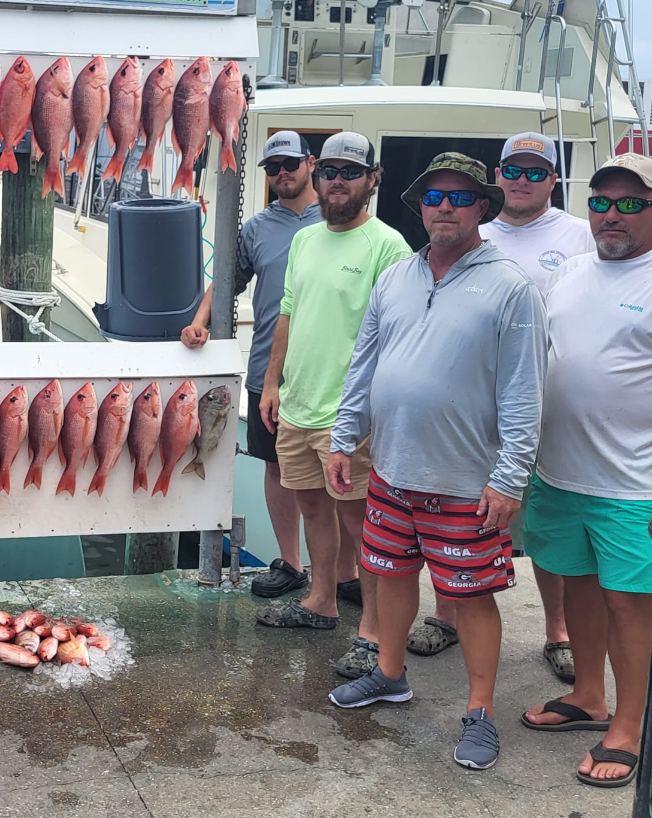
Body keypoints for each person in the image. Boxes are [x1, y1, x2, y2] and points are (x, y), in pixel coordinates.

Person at [327, 153, 546, 772]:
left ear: (482, 207)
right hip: (391, 470)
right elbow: (364, 363)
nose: (444, 206)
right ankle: (390, 673)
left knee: (472, 598)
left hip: (467, 482)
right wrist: (344, 438)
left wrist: (510, 478)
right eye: (433, 196)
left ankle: (480, 711)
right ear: (419, 207)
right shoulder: (396, 276)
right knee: (391, 577)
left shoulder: (511, 287)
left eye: (459, 196)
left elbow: (525, 391)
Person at [409, 132, 593, 678]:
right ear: (496, 177)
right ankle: (446, 615)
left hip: (550, 410)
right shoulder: (471, 230)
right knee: (454, 521)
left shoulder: (579, 235)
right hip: (468, 420)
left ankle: (557, 631)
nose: (522, 180)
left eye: (536, 172)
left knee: (545, 528)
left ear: (553, 179)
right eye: (513, 169)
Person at [520, 153, 652, 788]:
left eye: (631, 204)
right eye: (601, 203)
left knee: (627, 600)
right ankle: (589, 696)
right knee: (576, 583)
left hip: (635, 483)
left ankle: (629, 725)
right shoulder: (570, 271)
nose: (612, 215)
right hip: (558, 471)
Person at [253, 132, 412, 681]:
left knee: (360, 521)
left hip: (352, 416)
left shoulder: (389, 246)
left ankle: (371, 630)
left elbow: (397, 335)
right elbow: (287, 314)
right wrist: (271, 383)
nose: (337, 181)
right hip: (297, 405)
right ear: (317, 176)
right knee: (312, 507)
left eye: (351, 172)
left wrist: (368, 409)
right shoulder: (304, 239)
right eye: (330, 171)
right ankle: (321, 600)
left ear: (373, 180)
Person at [181, 131, 319, 597]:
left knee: (334, 476)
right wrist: (198, 323)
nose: (282, 173)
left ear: (310, 164)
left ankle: (343, 574)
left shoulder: (337, 220)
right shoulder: (257, 228)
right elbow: (226, 282)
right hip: (268, 371)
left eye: (290, 164)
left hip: (328, 374)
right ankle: (292, 563)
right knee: (276, 467)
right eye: (273, 167)